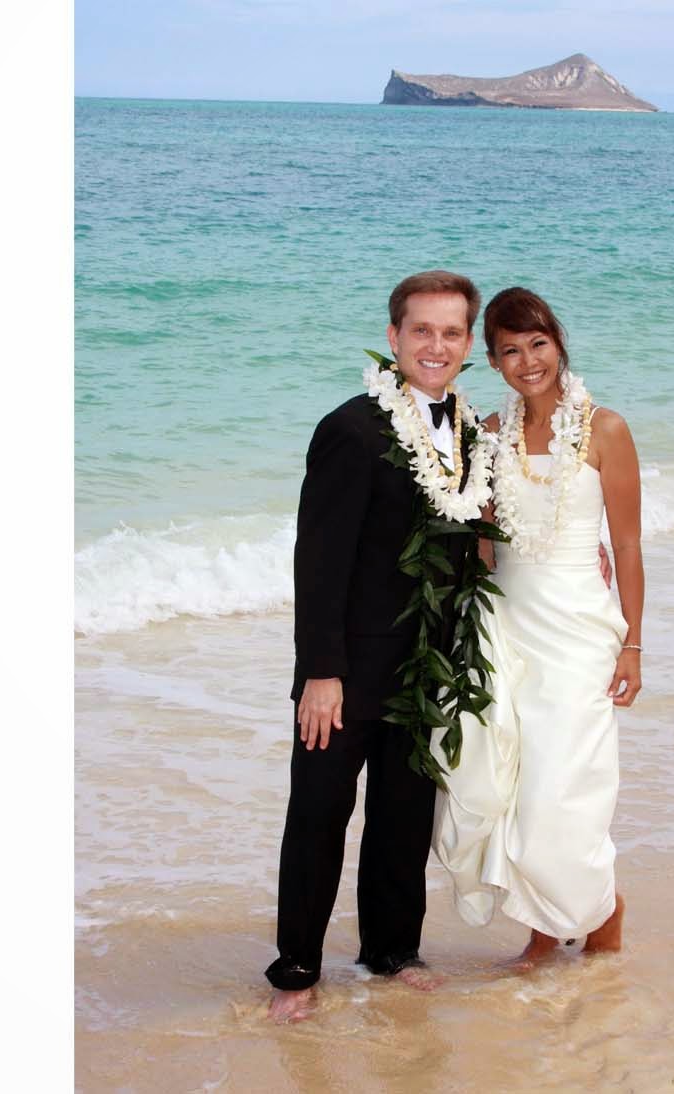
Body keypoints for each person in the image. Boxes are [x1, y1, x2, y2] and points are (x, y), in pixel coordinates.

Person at [266, 270, 492, 1022]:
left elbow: (474, 540)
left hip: (425, 664)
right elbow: (318, 559)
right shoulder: (351, 429)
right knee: (319, 814)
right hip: (347, 669)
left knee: (403, 815)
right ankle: (297, 968)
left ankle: (392, 952)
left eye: (451, 332)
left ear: (468, 343)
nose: (436, 345)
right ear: (394, 337)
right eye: (421, 330)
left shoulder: (470, 434)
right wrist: (320, 672)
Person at [430, 286, 645, 965]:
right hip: (510, 625)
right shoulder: (492, 434)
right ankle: (543, 928)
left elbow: (628, 544)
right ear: (493, 362)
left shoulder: (606, 429)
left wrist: (633, 643)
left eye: (538, 344)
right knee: (517, 782)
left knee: (566, 782)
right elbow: (484, 535)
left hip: (580, 629)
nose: (528, 362)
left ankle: (602, 911)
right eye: (510, 351)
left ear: (558, 343)